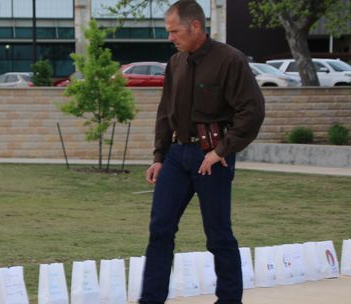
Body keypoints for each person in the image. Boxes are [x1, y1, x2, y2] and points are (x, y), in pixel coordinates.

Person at [139, 1, 265, 304]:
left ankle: (229, 300)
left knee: (218, 234)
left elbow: (253, 110)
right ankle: (151, 299)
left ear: (196, 26)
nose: (170, 37)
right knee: (159, 229)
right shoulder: (175, 63)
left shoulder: (230, 60)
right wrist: (159, 156)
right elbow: (164, 112)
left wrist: (222, 149)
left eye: (174, 31)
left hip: (212, 159)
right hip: (176, 156)